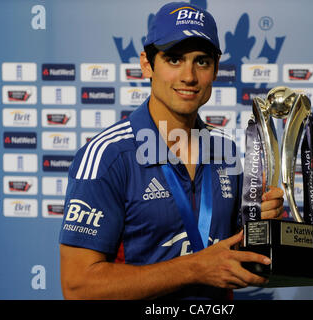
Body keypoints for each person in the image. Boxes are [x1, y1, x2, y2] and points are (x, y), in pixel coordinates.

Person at [59, 1, 284, 300]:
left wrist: (263, 222)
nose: (189, 76)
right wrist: (195, 268)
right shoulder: (108, 155)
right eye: (174, 60)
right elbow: (78, 286)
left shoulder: (224, 150)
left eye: (201, 61)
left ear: (216, 69)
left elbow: (230, 250)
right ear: (147, 64)